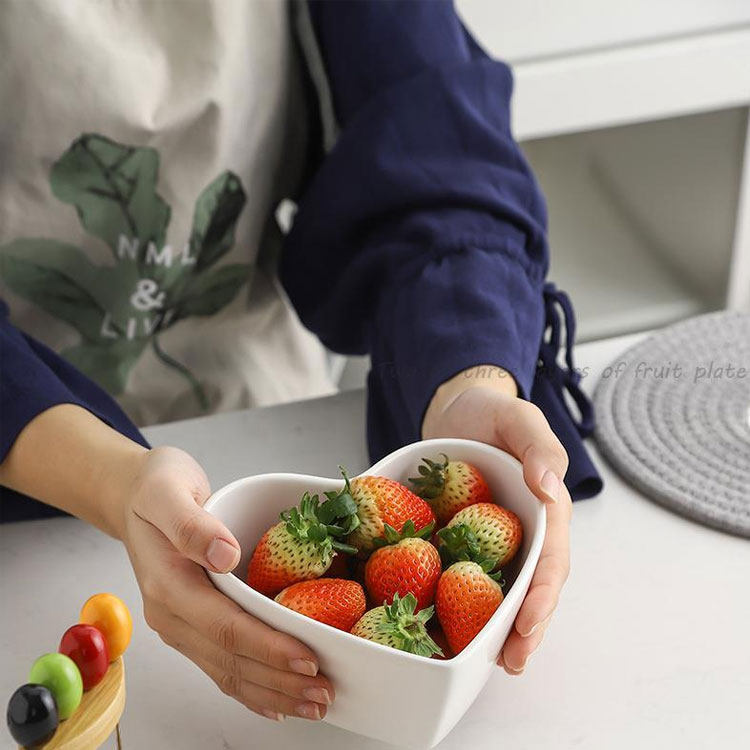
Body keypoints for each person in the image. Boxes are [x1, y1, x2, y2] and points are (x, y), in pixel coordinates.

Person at [0, 0, 601, 724]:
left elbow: (432, 136)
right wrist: (111, 477)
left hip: (268, 406)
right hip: (27, 474)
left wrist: (466, 381)